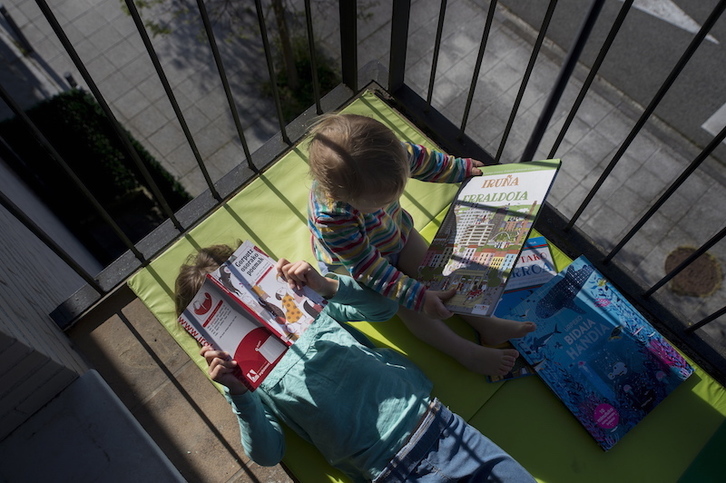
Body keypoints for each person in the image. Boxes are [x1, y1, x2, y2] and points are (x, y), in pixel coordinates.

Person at [175, 246, 535, 482]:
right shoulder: (244, 379)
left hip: (439, 424)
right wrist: (238, 392)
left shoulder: (309, 307)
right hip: (390, 471)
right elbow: (269, 455)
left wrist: (329, 287)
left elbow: (384, 307)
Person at [306, 113, 535, 377]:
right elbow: (369, 268)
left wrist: (461, 169)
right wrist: (417, 296)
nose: (390, 200)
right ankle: (464, 351)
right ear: (340, 195)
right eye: (378, 203)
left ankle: (487, 325)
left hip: (393, 232)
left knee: (437, 271)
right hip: (357, 262)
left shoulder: (388, 156)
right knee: (406, 304)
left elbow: (425, 161)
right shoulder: (334, 217)